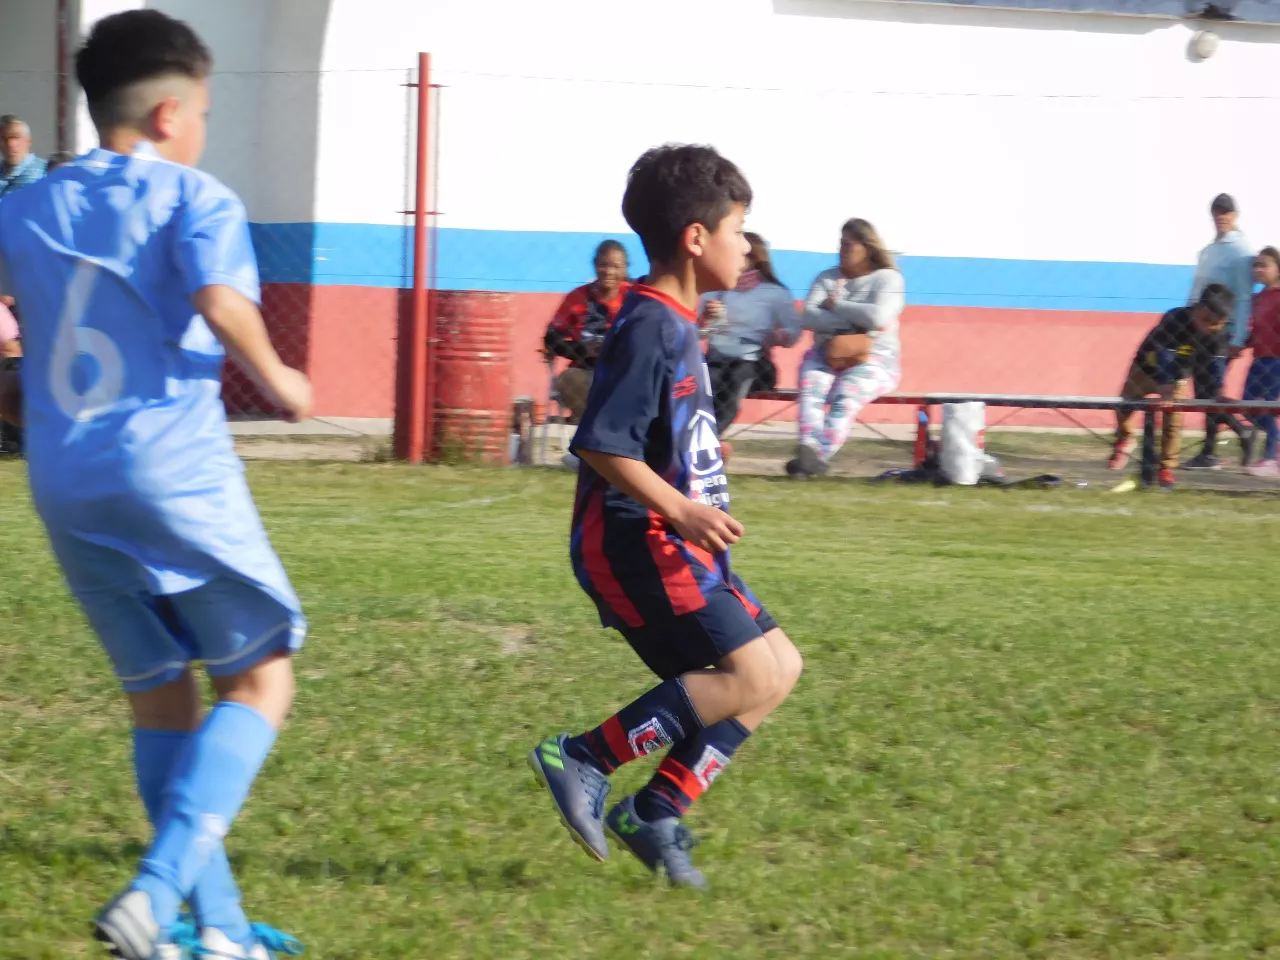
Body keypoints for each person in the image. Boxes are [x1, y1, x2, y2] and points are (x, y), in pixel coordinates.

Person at [0, 11, 310, 958]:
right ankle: (158, 888)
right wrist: (285, 378)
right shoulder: (195, 197)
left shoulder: (24, 203)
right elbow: (219, 301)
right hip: (167, 470)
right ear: (172, 112)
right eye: (207, 111)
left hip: (64, 480)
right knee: (261, 677)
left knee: (160, 699)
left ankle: (213, 934)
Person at [527, 144, 802, 888]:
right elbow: (602, 445)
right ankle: (584, 757)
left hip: (680, 543)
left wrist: (697, 464)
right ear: (695, 237)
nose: (747, 246)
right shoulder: (650, 323)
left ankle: (654, 813)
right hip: (637, 544)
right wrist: (680, 505)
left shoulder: (678, 322)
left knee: (779, 669)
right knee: (745, 674)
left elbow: (656, 431)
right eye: (739, 228)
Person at [787, 218, 904, 477]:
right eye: (840, 244)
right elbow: (808, 317)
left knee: (846, 396)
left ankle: (817, 456)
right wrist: (856, 324)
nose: (841, 250)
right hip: (826, 353)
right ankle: (808, 450)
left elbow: (879, 317)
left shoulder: (888, 280)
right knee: (811, 388)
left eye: (848, 244)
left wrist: (836, 306)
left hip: (874, 358)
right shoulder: (827, 277)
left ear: (867, 247)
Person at [1108, 284, 1235, 489]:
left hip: (1179, 375)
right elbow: (1164, 354)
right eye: (1206, 321)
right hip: (1146, 367)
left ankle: (1166, 467)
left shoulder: (1219, 332)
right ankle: (1125, 438)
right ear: (1198, 308)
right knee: (1125, 405)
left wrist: (1219, 389)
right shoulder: (1175, 318)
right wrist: (1164, 385)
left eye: (1216, 324)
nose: (1209, 328)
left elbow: (1217, 362)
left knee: (1173, 420)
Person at [699, 232, 801, 433]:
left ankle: (711, 437)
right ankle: (694, 435)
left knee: (735, 380)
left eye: (740, 254)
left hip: (752, 361)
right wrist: (706, 319)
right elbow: (699, 333)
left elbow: (794, 332)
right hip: (716, 357)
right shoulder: (714, 289)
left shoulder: (774, 293)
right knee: (705, 382)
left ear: (754, 258)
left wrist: (774, 337)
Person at [1184, 193, 1254, 469]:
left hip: (1222, 332)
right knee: (1204, 393)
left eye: (1226, 212)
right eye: (1216, 212)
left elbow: (1245, 296)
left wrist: (1238, 338)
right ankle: (1240, 432)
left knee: (1210, 391)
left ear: (1235, 215)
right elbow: (1196, 291)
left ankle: (1211, 452)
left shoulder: (1240, 250)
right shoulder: (1210, 249)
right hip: (1198, 329)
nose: (1221, 217)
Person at [544, 239, 632, 422]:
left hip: (625, 369)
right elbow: (551, 338)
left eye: (616, 267)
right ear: (595, 266)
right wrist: (583, 350)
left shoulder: (634, 297)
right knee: (569, 380)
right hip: (584, 371)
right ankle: (595, 426)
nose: (609, 272)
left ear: (625, 270)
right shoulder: (577, 297)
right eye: (603, 265)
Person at [1244, 247, 1280, 477]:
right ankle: (1272, 448)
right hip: (1259, 359)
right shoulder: (1257, 298)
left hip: (1277, 361)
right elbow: (1255, 331)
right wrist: (1240, 343)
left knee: (1268, 406)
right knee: (1247, 405)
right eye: (1256, 265)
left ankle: (1271, 458)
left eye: (1264, 265)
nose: (1258, 269)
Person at [0, 116, 48, 196]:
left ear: (28, 141)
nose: (10, 144)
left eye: (15, 137)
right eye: (4, 139)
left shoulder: (46, 172)